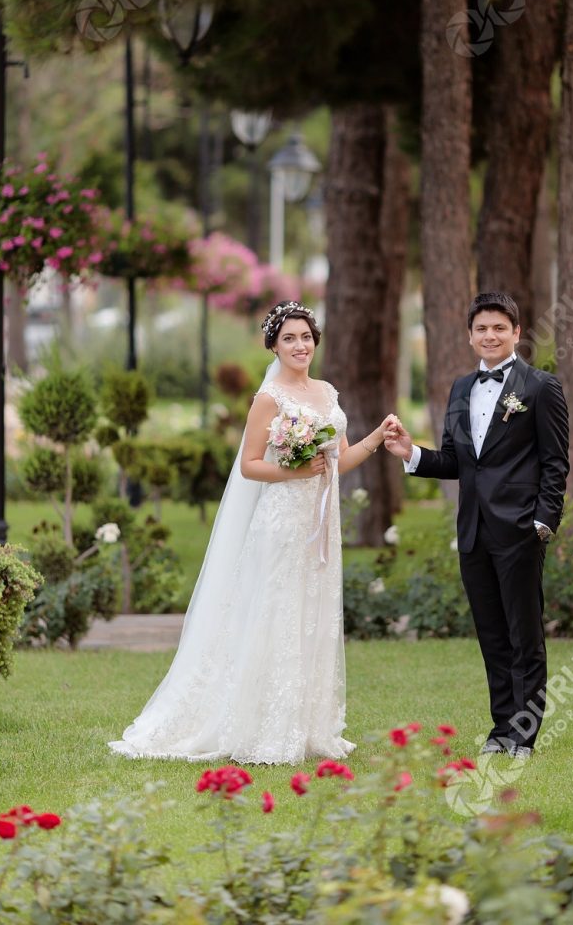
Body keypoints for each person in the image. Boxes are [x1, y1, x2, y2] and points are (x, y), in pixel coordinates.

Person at [110, 300, 393, 764]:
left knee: (310, 616)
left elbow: (341, 459)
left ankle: (305, 728)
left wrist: (377, 437)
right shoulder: (268, 399)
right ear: (274, 346)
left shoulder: (327, 392)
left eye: (306, 337)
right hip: (281, 522)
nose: (300, 346)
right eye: (289, 339)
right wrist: (297, 472)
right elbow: (250, 465)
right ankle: (264, 729)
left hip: (320, 524)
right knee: (275, 614)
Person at [384, 291, 569, 758]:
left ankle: (524, 736)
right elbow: (456, 462)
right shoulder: (461, 389)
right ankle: (501, 729)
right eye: (482, 328)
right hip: (473, 532)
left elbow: (555, 463)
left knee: (524, 636)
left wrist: (543, 522)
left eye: (499, 327)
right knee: (491, 635)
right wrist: (411, 454)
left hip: (521, 531)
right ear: (470, 336)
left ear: (516, 333)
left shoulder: (539, 388)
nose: (490, 335)